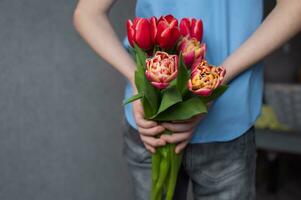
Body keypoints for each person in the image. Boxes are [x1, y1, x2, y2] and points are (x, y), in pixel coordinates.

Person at [73, 0, 301, 199]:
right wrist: (140, 85)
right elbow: (87, 14)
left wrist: (209, 84)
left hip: (223, 126)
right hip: (152, 125)